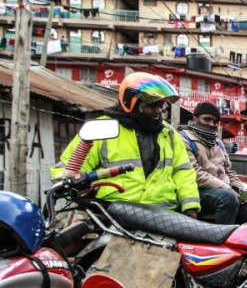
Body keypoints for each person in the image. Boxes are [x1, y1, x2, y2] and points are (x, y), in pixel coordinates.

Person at [52, 72, 201, 216]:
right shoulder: (102, 128)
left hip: (163, 212)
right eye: (152, 106)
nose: (157, 111)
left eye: (160, 106)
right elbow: (68, 169)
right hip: (114, 211)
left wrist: (190, 206)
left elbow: (183, 172)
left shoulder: (168, 133)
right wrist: (77, 189)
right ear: (133, 103)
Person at [179, 102, 247, 225]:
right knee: (228, 198)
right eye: (207, 119)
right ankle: (222, 238)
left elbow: (229, 172)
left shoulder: (218, 143)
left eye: (215, 121)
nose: (211, 124)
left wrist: (242, 191)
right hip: (197, 191)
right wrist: (228, 189)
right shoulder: (184, 140)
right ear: (195, 118)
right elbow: (196, 174)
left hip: (224, 190)